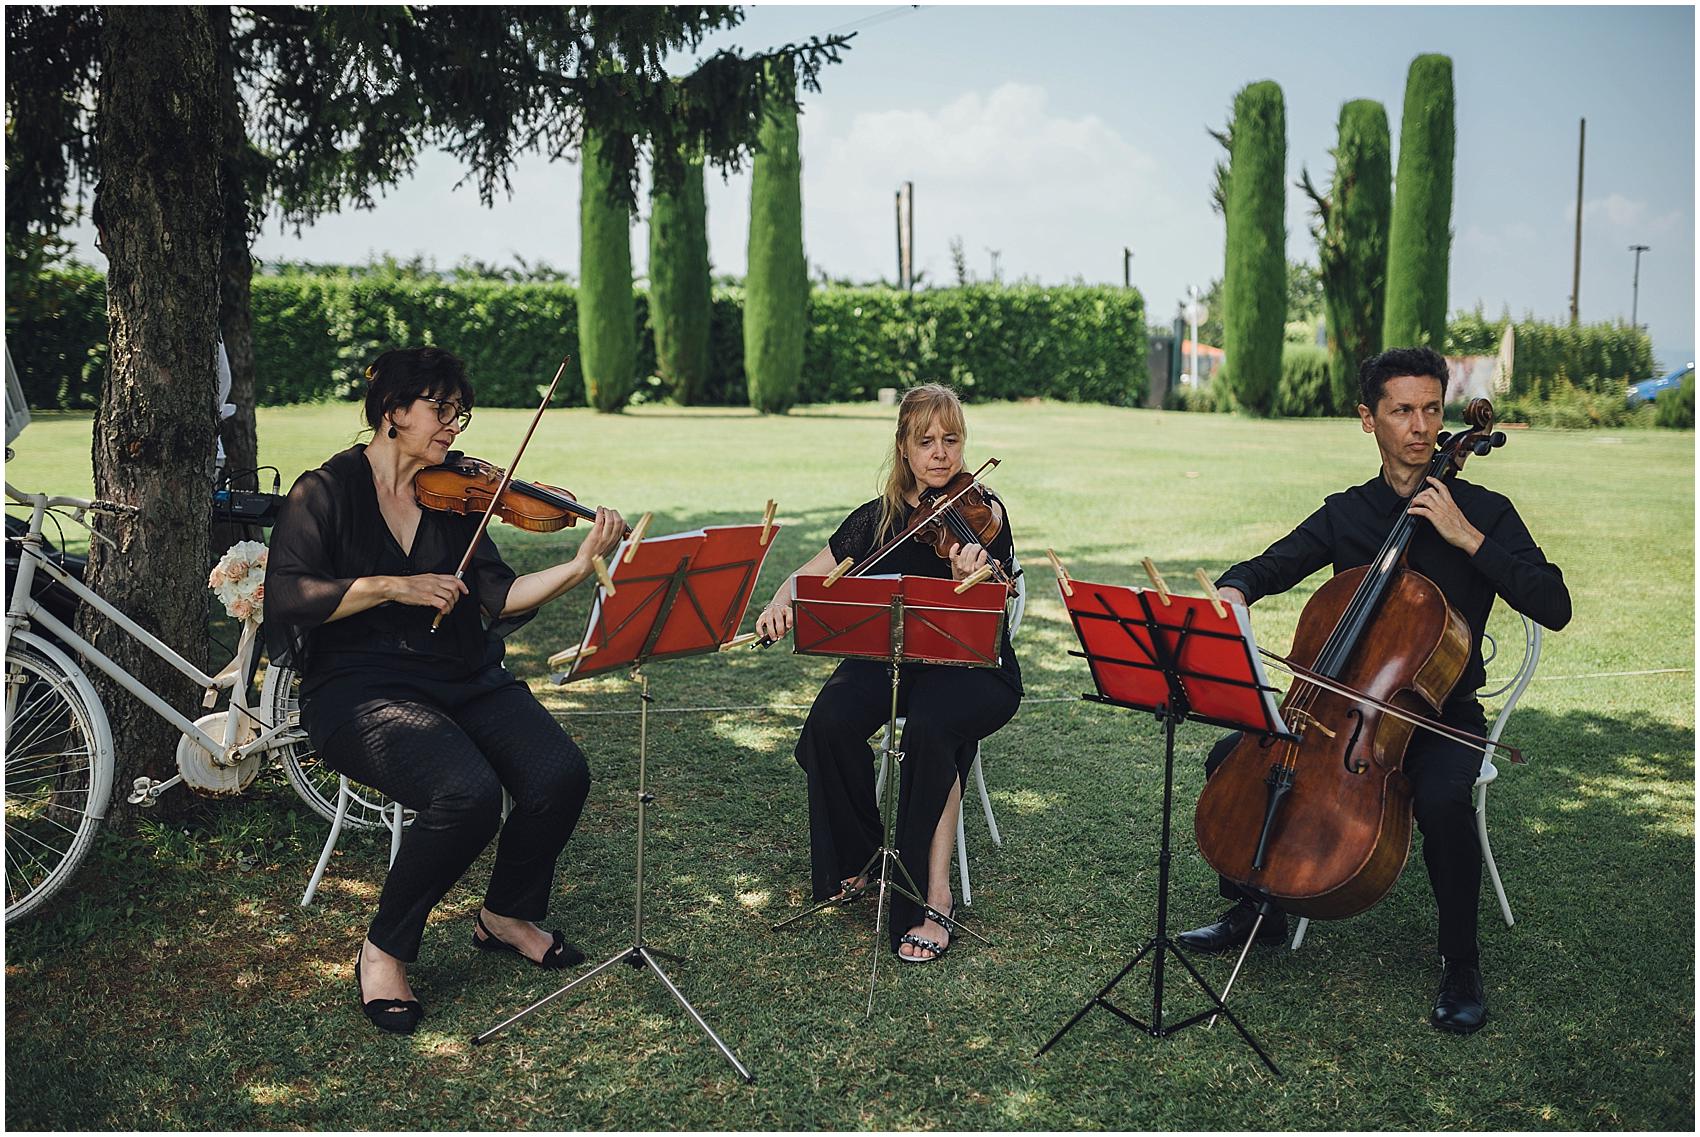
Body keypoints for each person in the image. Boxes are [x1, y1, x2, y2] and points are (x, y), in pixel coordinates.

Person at [1176, 346, 1572, 1034]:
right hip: (1338, 709)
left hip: (1439, 712)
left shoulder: (1485, 509)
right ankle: (1256, 910)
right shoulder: (1350, 512)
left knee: (1446, 796)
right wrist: (1238, 586)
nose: (1419, 426)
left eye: (1430, 409)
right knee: (1232, 759)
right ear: (1369, 419)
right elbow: (1276, 561)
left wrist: (1468, 536)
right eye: (1401, 410)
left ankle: (1460, 961)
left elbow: (1555, 602)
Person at [266, 346, 624, 1035]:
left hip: (458, 672)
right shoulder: (327, 490)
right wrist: (391, 586)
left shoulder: (453, 493)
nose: (454, 425)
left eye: (460, 410)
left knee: (559, 773)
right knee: (467, 794)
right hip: (358, 687)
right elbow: (287, 594)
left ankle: (506, 914)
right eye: (442, 408)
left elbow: (498, 594)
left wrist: (579, 566)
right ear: (394, 411)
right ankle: (385, 947)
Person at [754, 383, 1022, 962]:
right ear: (903, 447)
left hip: (970, 666)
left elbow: (997, 608)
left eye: (951, 440)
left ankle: (934, 898)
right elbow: (810, 577)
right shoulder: (876, 521)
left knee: (931, 729)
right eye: (926, 441)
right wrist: (781, 602)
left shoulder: (982, 514)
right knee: (829, 722)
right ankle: (860, 859)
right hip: (894, 657)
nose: (941, 454)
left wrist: (968, 576)